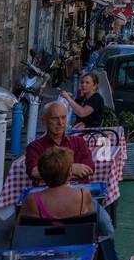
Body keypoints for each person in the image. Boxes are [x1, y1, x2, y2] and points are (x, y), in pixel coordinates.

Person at [23, 102, 115, 239]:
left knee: (106, 224)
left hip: (78, 192)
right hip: (47, 193)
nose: (60, 122)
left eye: (64, 117)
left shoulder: (78, 142)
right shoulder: (35, 147)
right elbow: (33, 172)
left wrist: (50, 170)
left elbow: (89, 168)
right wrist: (72, 168)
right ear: (44, 121)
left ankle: (105, 258)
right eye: (55, 118)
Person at [19, 146, 95, 222]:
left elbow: (18, 229)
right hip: (75, 233)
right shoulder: (83, 195)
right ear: (69, 173)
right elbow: (92, 225)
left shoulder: (32, 199)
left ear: (42, 174)